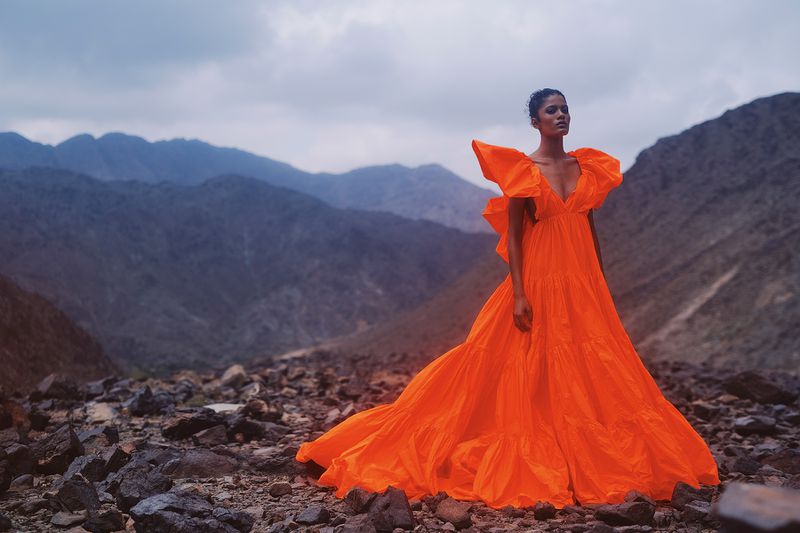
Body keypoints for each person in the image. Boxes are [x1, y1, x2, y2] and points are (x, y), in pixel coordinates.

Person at [294, 88, 721, 509]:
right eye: (551, 110)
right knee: (519, 362)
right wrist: (519, 293)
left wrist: (600, 281)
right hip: (537, 279)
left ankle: (591, 453)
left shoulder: (586, 166)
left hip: (582, 282)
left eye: (565, 109)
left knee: (592, 366)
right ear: (535, 121)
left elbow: (589, 228)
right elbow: (515, 238)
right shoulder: (523, 170)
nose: (561, 115)